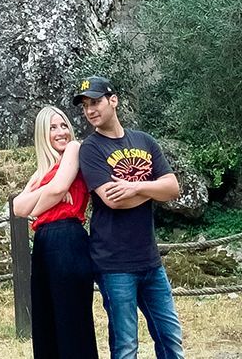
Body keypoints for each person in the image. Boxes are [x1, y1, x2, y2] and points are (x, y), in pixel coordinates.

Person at [74, 76, 185, 359]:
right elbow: (113, 200)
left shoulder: (144, 141)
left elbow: (173, 188)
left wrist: (135, 186)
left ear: (114, 100)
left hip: (149, 259)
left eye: (96, 102)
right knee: (126, 346)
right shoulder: (90, 149)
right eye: (85, 106)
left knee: (170, 337)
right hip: (113, 264)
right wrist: (155, 187)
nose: (90, 110)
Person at [11, 105, 99, 359]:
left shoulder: (75, 148)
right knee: (46, 320)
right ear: (42, 134)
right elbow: (18, 207)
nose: (61, 132)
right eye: (53, 127)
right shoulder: (42, 172)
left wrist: (39, 206)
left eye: (64, 126)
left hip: (67, 238)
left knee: (72, 322)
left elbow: (59, 188)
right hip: (44, 242)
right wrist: (47, 197)